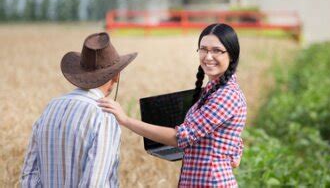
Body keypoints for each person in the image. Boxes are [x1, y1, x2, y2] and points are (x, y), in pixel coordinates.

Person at [99, 23, 247, 187]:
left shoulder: (226, 95)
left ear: (232, 55)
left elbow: (180, 137)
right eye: (203, 49)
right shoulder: (213, 91)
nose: (208, 56)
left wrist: (125, 120)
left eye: (216, 50)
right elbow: (234, 160)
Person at [20, 32, 137, 187]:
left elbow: (28, 175)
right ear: (116, 76)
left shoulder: (50, 107)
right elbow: (94, 184)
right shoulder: (104, 116)